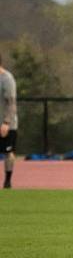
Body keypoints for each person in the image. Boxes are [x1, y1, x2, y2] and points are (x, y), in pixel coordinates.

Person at [0, 53, 17, 189]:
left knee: (8, 152)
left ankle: (7, 181)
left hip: (7, 124)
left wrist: (6, 122)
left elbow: (11, 102)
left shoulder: (7, 79)